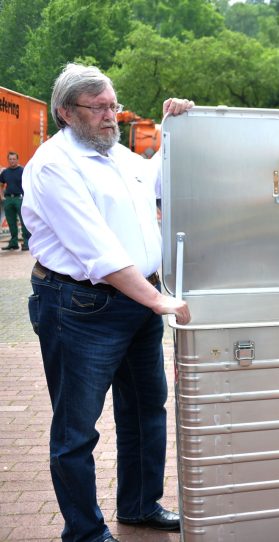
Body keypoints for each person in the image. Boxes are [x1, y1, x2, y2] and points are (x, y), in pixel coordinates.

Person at [21, 63, 194, 542]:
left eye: (112, 105)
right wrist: (159, 300)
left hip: (135, 303)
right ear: (65, 112)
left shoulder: (116, 154)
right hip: (80, 307)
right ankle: (84, 532)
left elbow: (156, 180)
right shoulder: (54, 165)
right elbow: (98, 253)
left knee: (145, 409)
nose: (109, 116)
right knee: (77, 427)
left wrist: (172, 128)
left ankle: (139, 505)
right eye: (97, 108)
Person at [1, 151, 31, 250]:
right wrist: (2, 196)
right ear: (8, 160)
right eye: (10, 159)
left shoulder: (23, 170)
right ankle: (13, 242)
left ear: (17, 159)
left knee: (24, 222)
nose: (12, 161)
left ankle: (26, 243)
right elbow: (1, 184)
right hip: (8, 199)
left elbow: (28, 184)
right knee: (11, 222)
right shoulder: (5, 172)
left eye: (14, 159)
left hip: (20, 198)